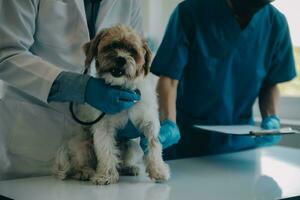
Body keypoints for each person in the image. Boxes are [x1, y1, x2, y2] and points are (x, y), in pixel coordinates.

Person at [0, 0, 177, 179]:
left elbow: (137, 57)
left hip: (111, 160)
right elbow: (6, 53)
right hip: (35, 140)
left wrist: (138, 117)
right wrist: (79, 87)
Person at [121, 0, 297, 159]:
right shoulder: (190, 12)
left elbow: (271, 83)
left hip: (242, 149)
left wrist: (271, 119)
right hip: (188, 144)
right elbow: (169, 79)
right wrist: (168, 124)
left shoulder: (275, 23)